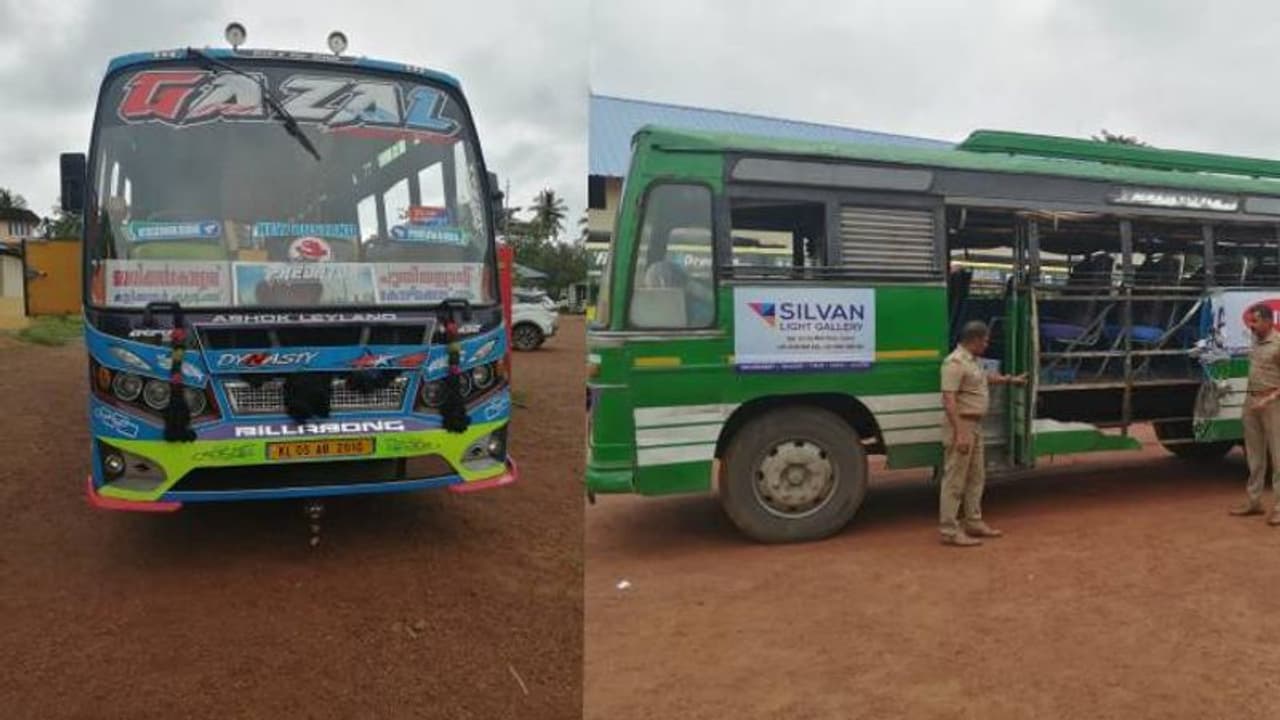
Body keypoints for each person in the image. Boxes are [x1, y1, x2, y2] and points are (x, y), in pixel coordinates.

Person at [939, 320, 1027, 547]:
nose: (987, 345)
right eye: (985, 340)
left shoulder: (971, 362)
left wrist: (1009, 379)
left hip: (975, 426)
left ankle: (973, 521)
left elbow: (982, 380)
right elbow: (948, 399)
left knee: (976, 477)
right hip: (963, 426)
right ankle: (949, 530)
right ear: (975, 340)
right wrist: (960, 433)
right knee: (955, 481)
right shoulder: (954, 363)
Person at [1230, 303, 1280, 523]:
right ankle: (1254, 501)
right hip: (1251, 402)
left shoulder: (1278, 345)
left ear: (1269, 321)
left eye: (1256, 321)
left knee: (1278, 456)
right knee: (1254, 455)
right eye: (1250, 321)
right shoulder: (1255, 341)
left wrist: (1269, 399)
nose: (1251, 326)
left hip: (1272, 404)